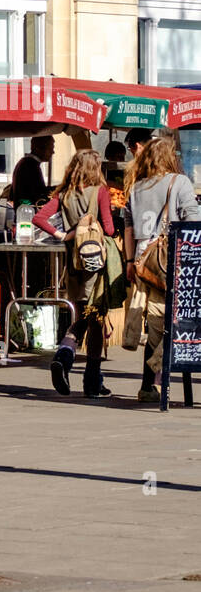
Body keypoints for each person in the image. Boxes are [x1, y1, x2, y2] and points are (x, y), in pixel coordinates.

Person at [34, 150, 115, 398]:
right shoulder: (100, 192)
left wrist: (64, 235)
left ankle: (64, 355)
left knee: (80, 316)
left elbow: (39, 218)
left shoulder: (64, 194)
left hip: (73, 265)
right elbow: (110, 229)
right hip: (96, 271)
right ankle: (91, 380)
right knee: (95, 320)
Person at [125, 138, 200, 402]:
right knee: (180, 321)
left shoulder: (136, 187)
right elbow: (193, 220)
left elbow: (129, 227)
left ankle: (149, 385)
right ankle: (157, 373)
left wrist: (128, 262)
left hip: (143, 262)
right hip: (171, 262)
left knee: (156, 323)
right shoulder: (178, 182)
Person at [8, 136, 55, 207]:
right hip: (27, 212)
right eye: (50, 148)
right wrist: (59, 188)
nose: (53, 152)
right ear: (38, 149)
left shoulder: (26, 162)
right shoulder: (30, 165)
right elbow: (38, 194)